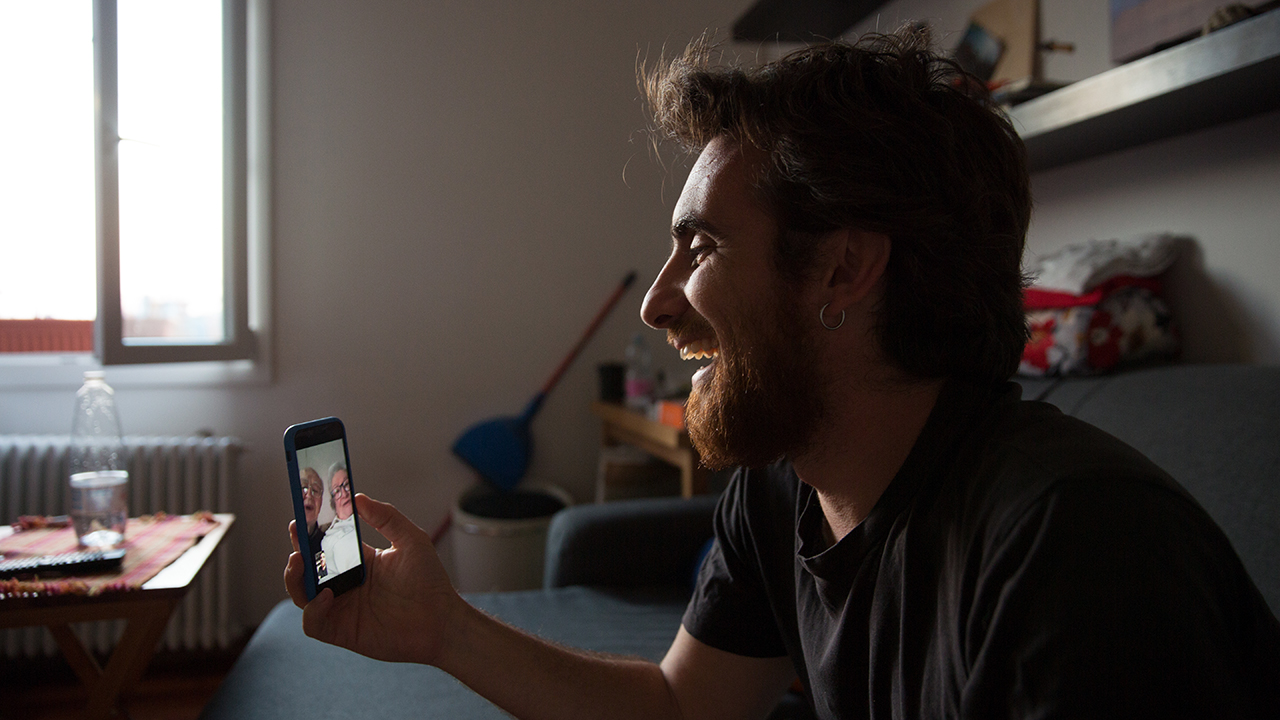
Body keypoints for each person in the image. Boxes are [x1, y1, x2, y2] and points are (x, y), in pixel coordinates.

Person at [285, 29, 1280, 718]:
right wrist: (443, 632)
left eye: (701, 246)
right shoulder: (786, 484)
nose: (655, 301)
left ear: (842, 271)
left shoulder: (1078, 547)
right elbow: (682, 708)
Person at [319, 462, 360, 577]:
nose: (344, 494)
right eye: (337, 491)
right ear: (333, 502)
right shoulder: (327, 540)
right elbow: (324, 578)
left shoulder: (371, 514)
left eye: (346, 484)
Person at [299, 467, 328, 578]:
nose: (309, 495)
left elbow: (323, 578)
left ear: (320, 503)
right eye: (303, 487)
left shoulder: (327, 542)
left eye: (315, 490)